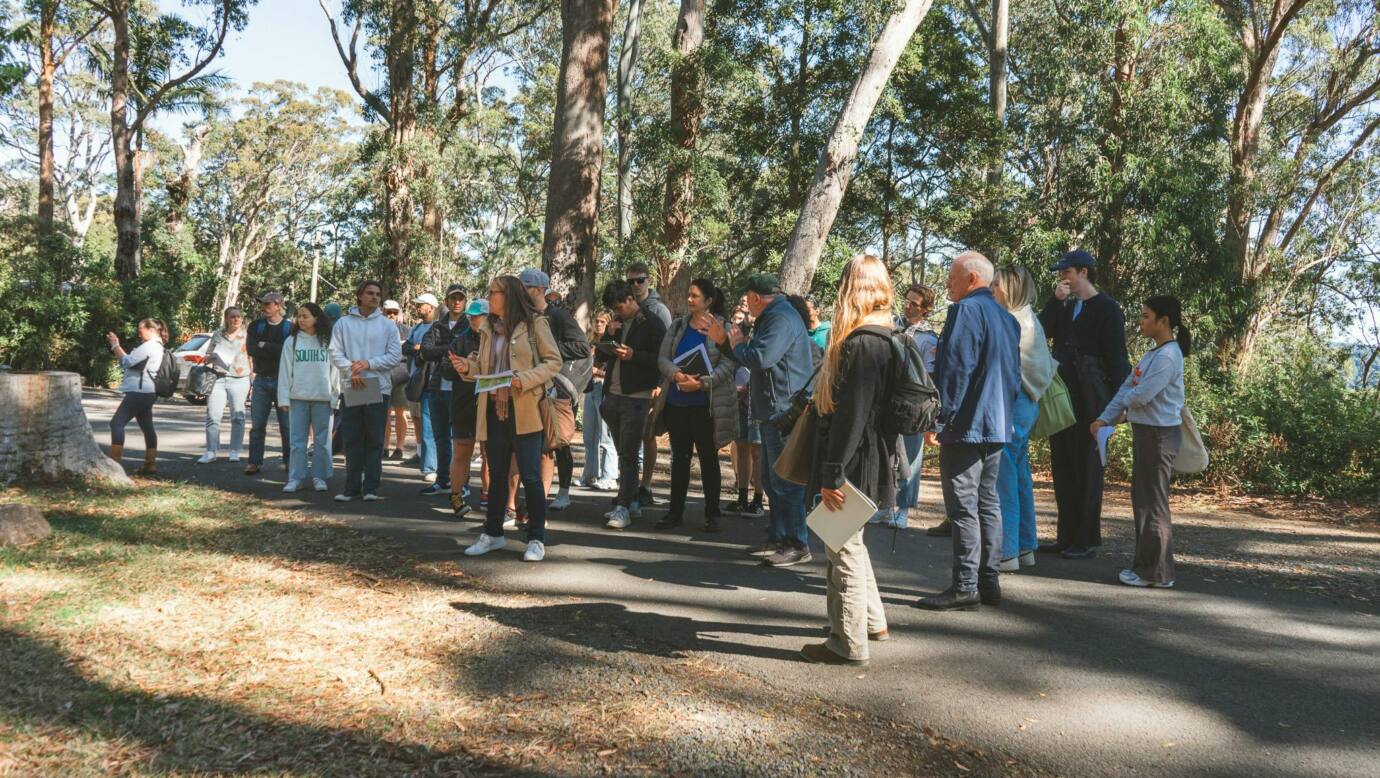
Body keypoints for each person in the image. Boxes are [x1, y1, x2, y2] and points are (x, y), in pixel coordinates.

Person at [801, 254, 896, 666]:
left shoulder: (862, 344)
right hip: (869, 456)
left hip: (852, 463)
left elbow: (852, 415)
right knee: (850, 539)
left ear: (851, 288)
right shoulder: (886, 335)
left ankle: (848, 643)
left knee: (843, 548)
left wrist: (832, 474)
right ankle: (873, 621)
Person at [916, 252, 1020, 612]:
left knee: (963, 506)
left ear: (972, 278)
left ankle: (965, 586)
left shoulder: (966, 312)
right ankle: (988, 581)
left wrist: (939, 421)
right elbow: (1012, 375)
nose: (948, 283)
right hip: (998, 422)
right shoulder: (1008, 318)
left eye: (952, 276)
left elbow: (956, 370)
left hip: (968, 423)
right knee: (987, 502)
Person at [704, 273, 814, 567]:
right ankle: (778, 537)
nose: (745, 305)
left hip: (784, 410)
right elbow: (750, 356)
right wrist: (729, 344)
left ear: (755, 298)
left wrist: (735, 343)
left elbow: (761, 357)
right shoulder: (775, 316)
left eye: (747, 299)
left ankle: (797, 543)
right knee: (770, 477)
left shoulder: (779, 318)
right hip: (772, 410)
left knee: (785, 480)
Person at [454, 275, 562, 562]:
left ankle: (536, 538)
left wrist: (523, 379)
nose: (489, 297)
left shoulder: (535, 324)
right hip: (492, 409)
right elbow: (486, 369)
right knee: (497, 476)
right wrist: (468, 367)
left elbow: (554, 362)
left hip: (525, 410)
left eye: (494, 293)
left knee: (530, 476)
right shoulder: (488, 327)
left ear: (510, 295)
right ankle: (493, 534)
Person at [1038, 249, 1131, 559]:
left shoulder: (1108, 309)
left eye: (1067, 272)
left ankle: (1086, 539)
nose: (1063, 277)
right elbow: (1040, 334)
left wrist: (1118, 409)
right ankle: (1066, 536)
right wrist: (1055, 301)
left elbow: (1118, 359)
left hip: (1093, 401)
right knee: (1063, 467)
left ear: (1084, 273)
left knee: (1088, 469)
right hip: (1061, 399)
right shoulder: (1064, 307)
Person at [1092, 296, 1190, 589]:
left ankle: (1157, 573)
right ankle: (1147, 567)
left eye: (1147, 316)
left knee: (1153, 505)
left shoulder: (1168, 356)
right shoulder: (1153, 354)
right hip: (1147, 433)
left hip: (1159, 435)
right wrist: (1105, 418)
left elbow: (1141, 395)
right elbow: (1127, 389)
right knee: (1144, 502)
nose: (1141, 321)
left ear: (1164, 322)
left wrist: (1126, 406)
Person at [652, 278, 738, 532]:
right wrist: (677, 376)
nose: (689, 300)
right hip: (677, 403)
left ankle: (713, 515)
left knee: (709, 460)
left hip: (706, 405)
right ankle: (674, 513)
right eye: (689, 295)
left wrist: (704, 384)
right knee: (680, 459)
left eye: (695, 296)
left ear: (709, 301)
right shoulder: (678, 326)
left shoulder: (722, 327)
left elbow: (729, 363)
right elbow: (663, 358)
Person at [992, 267, 1057, 571]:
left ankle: (1007, 550)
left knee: (1004, 475)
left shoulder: (1014, 321)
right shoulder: (1030, 318)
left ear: (1009, 289)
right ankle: (1026, 545)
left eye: (996, 285)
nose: (992, 289)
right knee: (1019, 475)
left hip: (1016, 400)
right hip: (1028, 402)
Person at [598, 279, 668, 529]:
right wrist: (609, 334)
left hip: (637, 397)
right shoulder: (617, 323)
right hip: (613, 396)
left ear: (630, 299)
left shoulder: (651, 322)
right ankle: (631, 500)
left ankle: (624, 506)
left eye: (619, 307)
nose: (617, 313)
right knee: (622, 452)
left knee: (629, 454)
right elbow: (600, 355)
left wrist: (633, 355)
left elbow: (663, 359)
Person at [520, 268, 591, 511]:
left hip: (559, 387)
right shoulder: (525, 318)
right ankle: (540, 493)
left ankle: (564, 492)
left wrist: (548, 349)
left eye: (526, 288)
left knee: (560, 441)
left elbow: (582, 347)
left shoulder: (558, 316)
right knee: (539, 444)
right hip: (535, 386)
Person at [329, 280, 403, 502]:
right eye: (370, 293)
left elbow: (394, 357)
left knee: (374, 438)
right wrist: (353, 368)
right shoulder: (343, 323)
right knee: (352, 438)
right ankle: (351, 487)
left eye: (378, 294)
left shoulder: (388, 326)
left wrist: (368, 364)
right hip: (353, 384)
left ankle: (371, 488)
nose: (374, 297)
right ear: (359, 295)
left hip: (378, 388)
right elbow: (334, 352)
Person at [875, 284, 940, 530]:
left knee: (910, 459)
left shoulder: (928, 337)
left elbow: (930, 374)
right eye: (907, 300)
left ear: (926, 309)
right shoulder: (891, 326)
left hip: (913, 404)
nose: (908, 305)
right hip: (888, 400)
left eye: (914, 303)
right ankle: (883, 507)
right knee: (887, 453)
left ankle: (902, 509)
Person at [278, 302, 340, 493]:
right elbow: (285, 371)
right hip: (298, 398)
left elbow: (335, 370)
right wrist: (284, 398)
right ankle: (295, 478)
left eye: (305, 316)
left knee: (322, 441)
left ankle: (319, 477)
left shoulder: (328, 340)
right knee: (297, 441)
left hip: (323, 398)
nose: (300, 320)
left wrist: (335, 396)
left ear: (317, 318)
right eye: (299, 316)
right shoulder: (292, 341)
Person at [625, 262, 672, 507]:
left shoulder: (659, 310)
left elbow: (665, 349)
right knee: (629, 437)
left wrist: (660, 383)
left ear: (649, 280)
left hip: (651, 382)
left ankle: (646, 485)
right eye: (631, 281)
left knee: (647, 434)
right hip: (628, 383)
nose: (635, 286)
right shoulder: (626, 308)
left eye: (639, 280)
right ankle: (629, 487)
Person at [441, 298, 487, 517]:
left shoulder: (500, 341)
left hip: (491, 404)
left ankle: (489, 495)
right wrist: (464, 365)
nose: (474, 319)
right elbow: (445, 370)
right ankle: (456, 495)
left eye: (479, 315)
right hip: (464, 403)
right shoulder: (459, 341)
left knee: (491, 454)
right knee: (462, 452)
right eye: (472, 315)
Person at [105, 319, 167, 475]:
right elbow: (134, 363)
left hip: (139, 392)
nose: (138, 332)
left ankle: (114, 465)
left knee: (116, 424)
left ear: (151, 330)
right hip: (148, 391)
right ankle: (150, 464)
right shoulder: (158, 345)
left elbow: (126, 362)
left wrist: (115, 345)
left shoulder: (149, 346)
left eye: (141, 329)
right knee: (147, 427)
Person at [414, 290, 458, 496]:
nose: (457, 302)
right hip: (436, 386)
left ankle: (460, 484)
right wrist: (449, 349)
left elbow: (469, 351)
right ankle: (442, 480)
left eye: (461, 298)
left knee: (459, 440)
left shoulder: (468, 325)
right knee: (438, 436)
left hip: (460, 389)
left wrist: (442, 349)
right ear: (447, 301)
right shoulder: (437, 327)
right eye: (453, 298)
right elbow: (425, 351)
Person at [721, 307, 764, 518]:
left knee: (757, 451)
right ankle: (741, 497)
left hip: (757, 400)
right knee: (742, 447)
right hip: (740, 400)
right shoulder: (740, 332)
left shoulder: (767, 328)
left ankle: (758, 500)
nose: (748, 313)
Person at [245, 292, 292, 475]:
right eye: (263, 303)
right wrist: (268, 348)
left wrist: (265, 346)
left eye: (268, 304)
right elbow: (251, 349)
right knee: (257, 425)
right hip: (261, 380)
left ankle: (290, 461)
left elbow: (288, 353)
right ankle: (254, 462)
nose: (264, 307)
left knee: (286, 425)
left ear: (279, 305)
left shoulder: (289, 328)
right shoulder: (256, 326)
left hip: (283, 380)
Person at [198, 307, 251, 464]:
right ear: (226, 318)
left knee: (238, 416)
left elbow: (252, 358)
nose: (236, 319)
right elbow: (207, 355)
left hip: (240, 378)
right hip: (219, 378)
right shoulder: (218, 334)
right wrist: (211, 357)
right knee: (213, 416)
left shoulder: (247, 335)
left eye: (238, 316)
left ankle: (234, 450)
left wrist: (252, 381)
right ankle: (211, 451)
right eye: (232, 316)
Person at [581, 311, 619, 490]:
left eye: (603, 321)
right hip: (589, 388)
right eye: (596, 321)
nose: (599, 324)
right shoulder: (590, 343)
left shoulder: (610, 344)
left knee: (606, 435)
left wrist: (597, 372)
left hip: (604, 387)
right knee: (589, 436)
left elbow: (613, 371)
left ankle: (609, 476)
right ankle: (589, 475)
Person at [382, 298, 416, 463]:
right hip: (382, 376)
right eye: (388, 312)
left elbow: (412, 351)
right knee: (384, 414)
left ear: (399, 314)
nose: (391, 316)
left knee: (401, 412)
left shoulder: (407, 331)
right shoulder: (376, 329)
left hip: (402, 375)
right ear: (382, 312)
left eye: (394, 313)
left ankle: (399, 448)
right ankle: (384, 447)